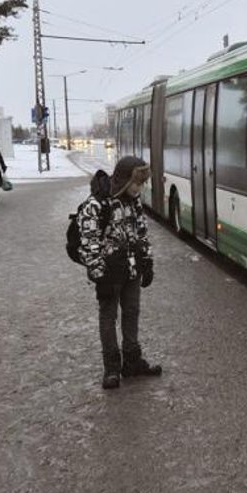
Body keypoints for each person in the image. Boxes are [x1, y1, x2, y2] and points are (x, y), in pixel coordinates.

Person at [77, 156, 161, 389]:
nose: (140, 188)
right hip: (109, 274)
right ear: (125, 180)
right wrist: (98, 274)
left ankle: (132, 363)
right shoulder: (98, 205)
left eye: (143, 184)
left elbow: (141, 234)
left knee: (132, 312)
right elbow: (89, 242)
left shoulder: (134, 203)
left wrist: (147, 261)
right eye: (137, 183)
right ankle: (112, 368)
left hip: (131, 269)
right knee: (108, 317)